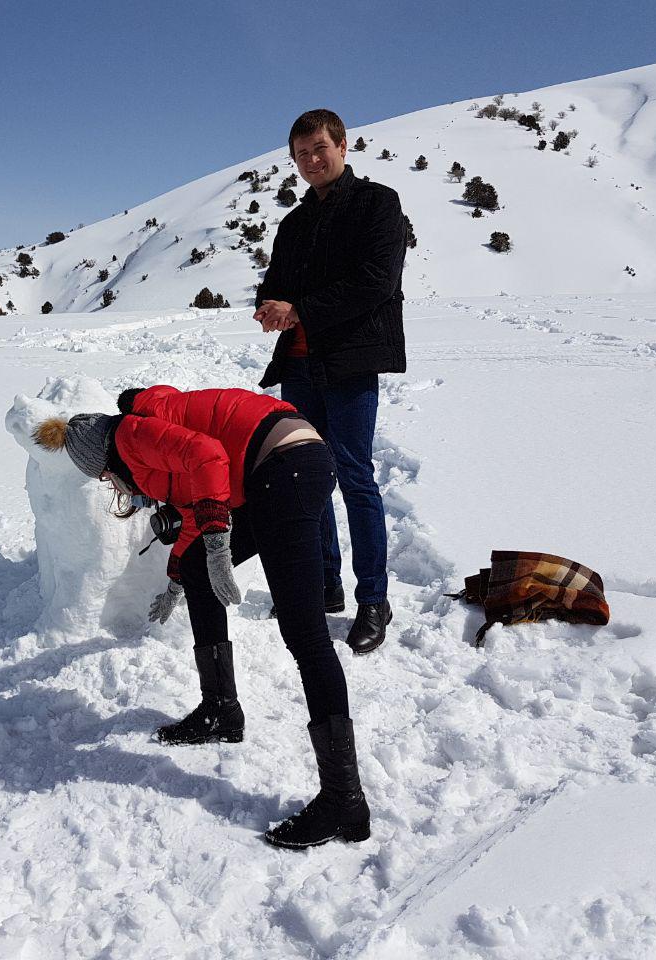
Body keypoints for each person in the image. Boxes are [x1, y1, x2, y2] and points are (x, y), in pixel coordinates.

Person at [32, 384, 370, 849]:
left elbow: (208, 457)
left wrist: (216, 541)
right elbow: (197, 497)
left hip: (283, 471)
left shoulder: (131, 434)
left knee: (305, 635)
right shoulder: (155, 424)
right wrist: (179, 576)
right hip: (288, 463)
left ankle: (344, 802)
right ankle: (221, 710)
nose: (112, 486)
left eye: (106, 478)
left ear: (107, 460)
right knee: (196, 569)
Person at [254, 108, 408, 655]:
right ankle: (325, 584)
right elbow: (274, 282)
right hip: (298, 366)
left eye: (320, 148)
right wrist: (270, 307)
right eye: (301, 154)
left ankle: (374, 600)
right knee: (306, 477)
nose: (312, 160)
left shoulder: (376, 203)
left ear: (343, 145)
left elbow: (376, 282)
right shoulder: (293, 224)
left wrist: (299, 309)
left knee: (355, 477)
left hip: (348, 361)